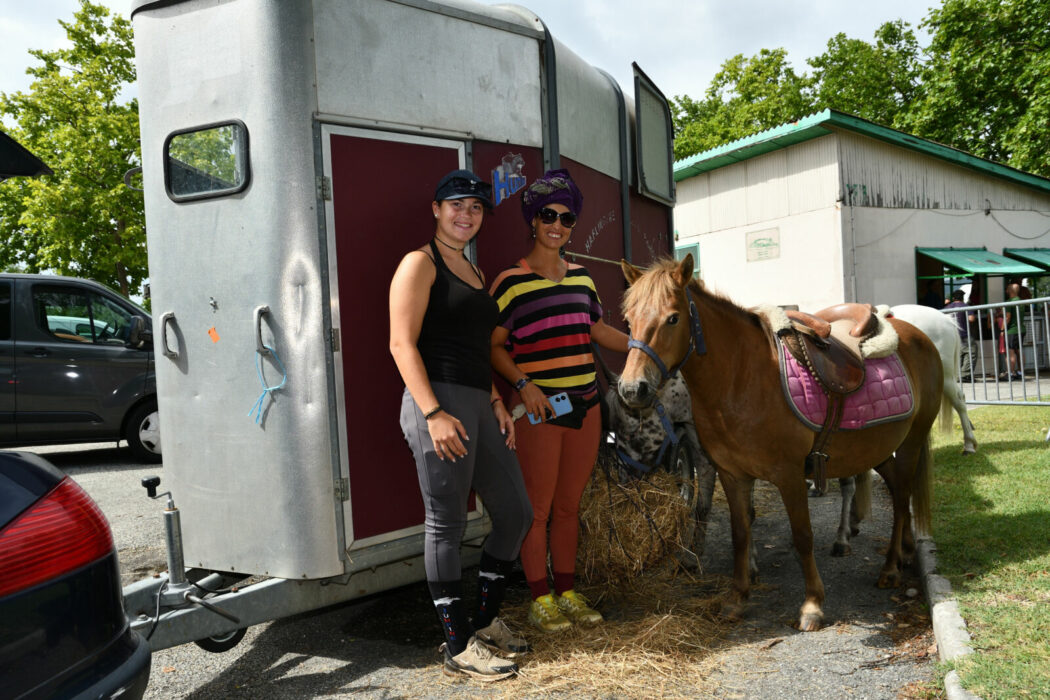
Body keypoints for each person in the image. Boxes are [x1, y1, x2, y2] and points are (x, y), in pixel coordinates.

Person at [389, 169, 533, 680]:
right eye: (456, 204)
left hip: (476, 403)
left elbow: (476, 348)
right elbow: (402, 344)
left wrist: (496, 400)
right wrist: (432, 414)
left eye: (475, 207)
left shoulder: (473, 271)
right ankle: (457, 647)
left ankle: (486, 623)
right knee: (445, 523)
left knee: (516, 512)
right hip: (438, 403)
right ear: (436, 209)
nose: (465, 214)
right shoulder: (419, 264)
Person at [489, 169, 630, 633]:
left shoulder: (584, 278)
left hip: (585, 407)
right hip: (540, 410)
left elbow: (597, 331)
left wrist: (642, 347)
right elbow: (493, 346)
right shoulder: (509, 281)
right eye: (548, 215)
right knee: (539, 509)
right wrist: (524, 383)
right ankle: (538, 598)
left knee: (569, 506)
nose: (558, 225)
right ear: (533, 220)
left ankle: (566, 592)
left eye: (567, 218)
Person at [943, 289, 977, 382]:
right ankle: (966, 374)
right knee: (971, 352)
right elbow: (971, 319)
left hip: (952, 335)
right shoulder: (965, 306)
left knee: (958, 354)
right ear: (962, 297)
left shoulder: (947, 308)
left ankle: (958, 374)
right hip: (964, 334)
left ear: (953, 298)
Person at [1003, 282, 1025, 380]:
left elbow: (1007, 317)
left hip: (1012, 330)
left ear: (1010, 291)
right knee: (1019, 351)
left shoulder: (1010, 302)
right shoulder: (1021, 301)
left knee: (1010, 352)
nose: (1006, 291)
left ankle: (1010, 374)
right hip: (1021, 329)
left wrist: (1002, 329)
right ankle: (1020, 372)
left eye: (1007, 289)